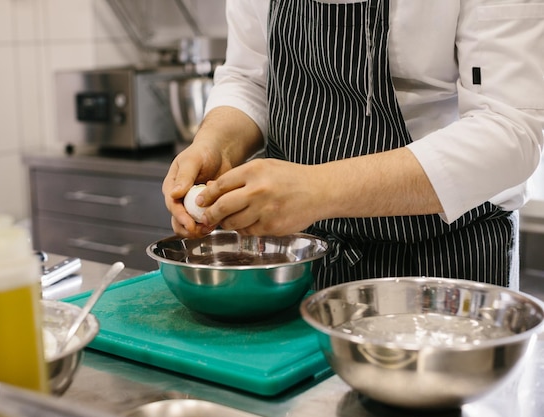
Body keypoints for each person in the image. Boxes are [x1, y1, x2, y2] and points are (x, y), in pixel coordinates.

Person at [162, 0, 544, 290]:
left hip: (445, 261)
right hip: (300, 256)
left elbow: (510, 130)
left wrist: (319, 190)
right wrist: (216, 144)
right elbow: (250, 75)